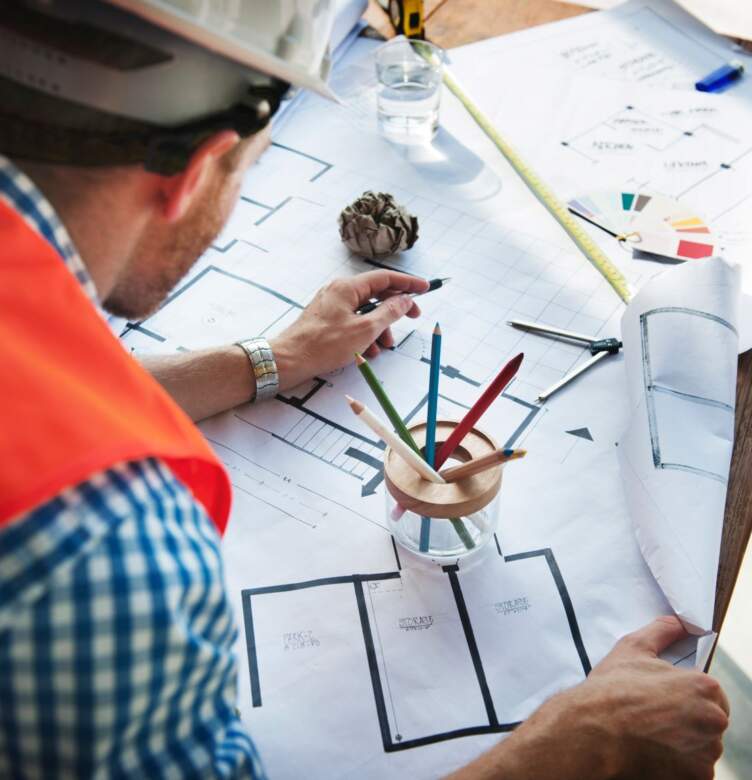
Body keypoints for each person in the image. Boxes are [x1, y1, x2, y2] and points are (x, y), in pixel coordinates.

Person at [0, 2, 729, 777]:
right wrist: (574, 748)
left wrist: (272, 358)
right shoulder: (105, 538)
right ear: (194, 170)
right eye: (247, 173)